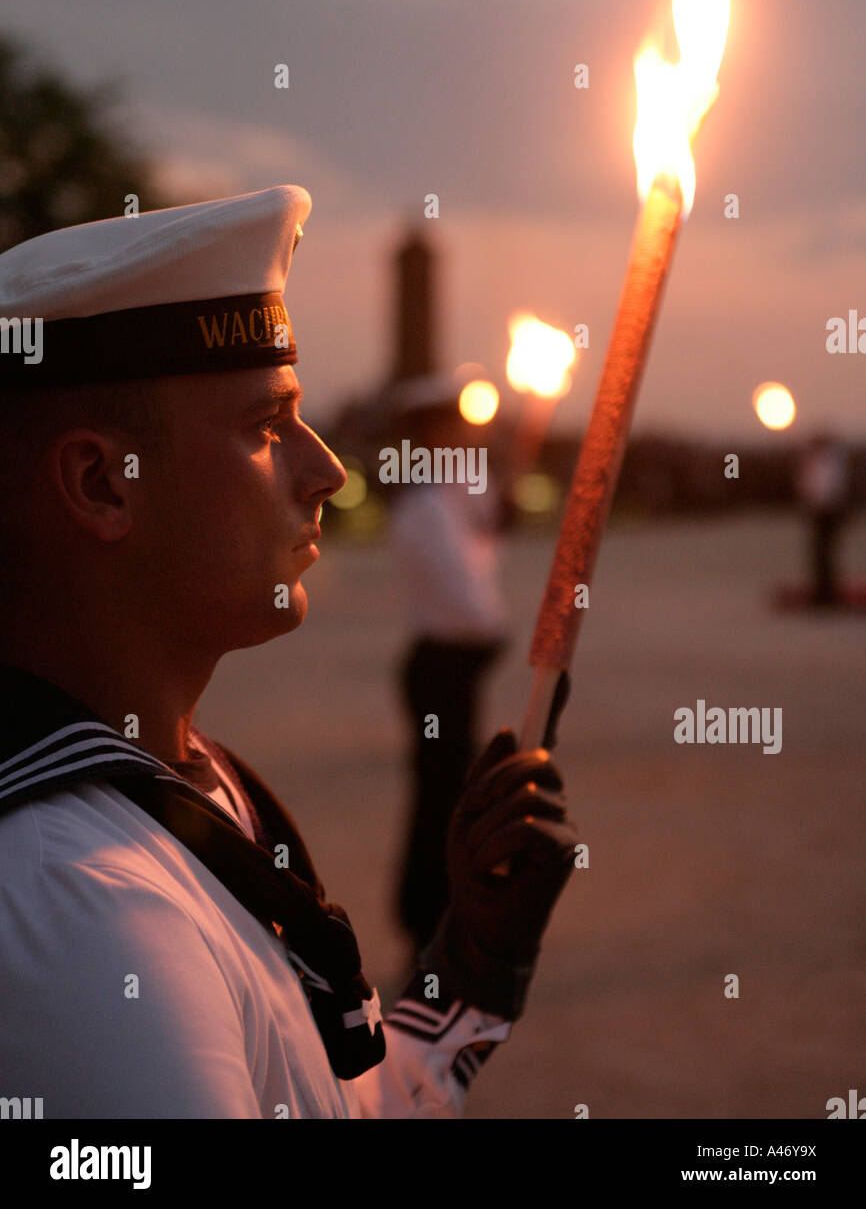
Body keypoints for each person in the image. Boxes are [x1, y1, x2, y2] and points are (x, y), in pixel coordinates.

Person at [0, 185, 577, 1118]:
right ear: (104, 483)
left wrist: (466, 972)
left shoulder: (175, 782)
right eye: (268, 427)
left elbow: (329, 1101)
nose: (326, 469)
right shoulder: (88, 908)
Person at [388, 377, 511, 950]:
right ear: (431, 433)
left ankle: (439, 917)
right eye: (453, 426)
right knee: (440, 799)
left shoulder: (451, 490)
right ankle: (425, 922)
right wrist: (497, 634)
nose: (465, 434)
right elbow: (466, 597)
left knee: (451, 791)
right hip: (441, 665)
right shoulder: (423, 505)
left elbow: (486, 520)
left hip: (452, 665)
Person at [794, 432, 850, 607]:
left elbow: (834, 487)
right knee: (818, 553)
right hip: (818, 511)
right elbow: (807, 486)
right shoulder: (814, 460)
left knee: (827, 552)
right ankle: (821, 591)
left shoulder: (833, 461)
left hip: (830, 512)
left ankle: (828, 592)